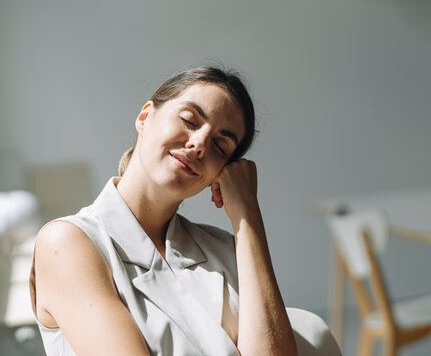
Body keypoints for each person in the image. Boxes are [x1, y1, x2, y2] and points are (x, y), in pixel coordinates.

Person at [29, 67, 341, 356]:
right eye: (189, 120)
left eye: (221, 145)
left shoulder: (226, 251)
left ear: (224, 170)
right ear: (145, 117)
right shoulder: (69, 243)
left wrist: (247, 214)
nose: (199, 144)